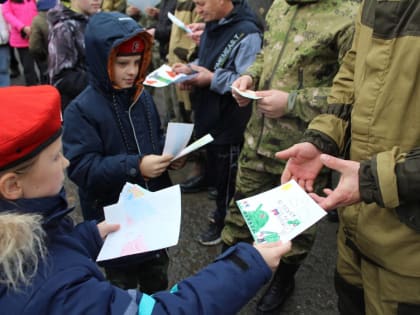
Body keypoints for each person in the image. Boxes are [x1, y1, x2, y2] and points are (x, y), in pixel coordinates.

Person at [0, 84, 292, 314]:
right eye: (55, 157)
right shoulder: (58, 291)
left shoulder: (25, 229)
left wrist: (86, 237)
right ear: (12, 185)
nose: (65, 163)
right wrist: (250, 263)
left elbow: (49, 249)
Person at [276, 1, 420, 314]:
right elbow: (351, 76)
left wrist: (375, 179)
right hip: (355, 231)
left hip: (409, 256)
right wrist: (322, 139)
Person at [221, 0, 358, 313]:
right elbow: (265, 55)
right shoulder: (279, 6)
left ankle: (284, 279)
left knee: (295, 225)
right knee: (240, 214)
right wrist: (250, 77)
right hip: (257, 140)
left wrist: (293, 102)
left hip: (306, 149)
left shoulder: (350, 15)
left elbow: (351, 91)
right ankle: (224, 278)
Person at [62, 11, 184, 293]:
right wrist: (136, 166)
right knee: (122, 291)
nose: (131, 70)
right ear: (101, 61)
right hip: (115, 222)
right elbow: (83, 169)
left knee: (157, 282)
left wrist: (171, 154)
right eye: (122, 63)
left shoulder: (142, 97)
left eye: (137, 62)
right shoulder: (80, 110)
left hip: (153, 216)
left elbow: (154, 136)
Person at [172, 0, 263, 246]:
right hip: (210, 116)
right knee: (217, 172)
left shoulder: (248, 33)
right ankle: (221, 213)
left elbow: (247, 80)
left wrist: (210, 79)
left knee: (229, 179)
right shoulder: (214, 23)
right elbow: (208, 59)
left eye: (201, 3)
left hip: (230, 123)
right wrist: (189, 69)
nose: (197, 10)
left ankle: (225, 223)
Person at [47, 0, 101, 109]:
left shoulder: (98, 20)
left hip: (100, 102)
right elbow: (61, 79)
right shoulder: (63, 28)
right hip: (80, 107)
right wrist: (103, 81)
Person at [2, 0, 39, 85]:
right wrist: (22, 27)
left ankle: (46, 87)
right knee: (28, 67)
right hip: (21, 39)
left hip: (36, 35)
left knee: (43, 65)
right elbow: (8, 15)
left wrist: (35, 27)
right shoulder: (8, 3)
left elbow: (40, 10)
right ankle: (32, 88)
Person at [29, 0, 56, 84]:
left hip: (46, 59)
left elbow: (34, 46)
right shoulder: (63, 16)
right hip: (64, 59)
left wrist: (42, 57)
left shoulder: (37, 20)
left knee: (46, 81)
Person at [0, 3, 10, 86]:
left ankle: (5, 93)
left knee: (3, 69)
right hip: (3, 41)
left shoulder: (2, 7)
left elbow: (8, 22)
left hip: (3, 43)